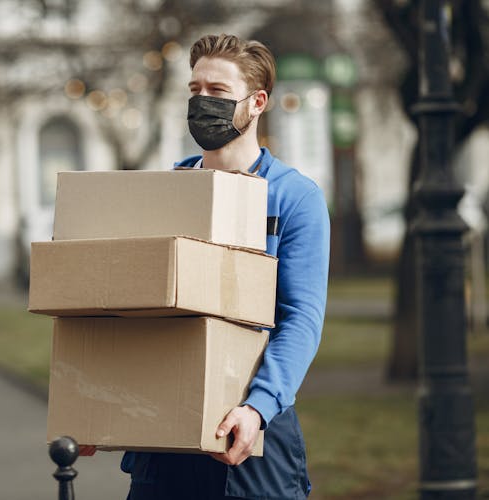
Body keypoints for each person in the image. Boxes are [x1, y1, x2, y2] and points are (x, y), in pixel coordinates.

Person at [82, 35, 330, 499]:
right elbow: (134, 308)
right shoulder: (166, 193)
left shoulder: (294, 198)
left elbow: (301, 319)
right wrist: (100, 404)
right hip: (163, 441)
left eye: (217, 91)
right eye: (194, 91)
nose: (201, 102)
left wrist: (257, 408)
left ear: (257, 102)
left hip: (252, 433)